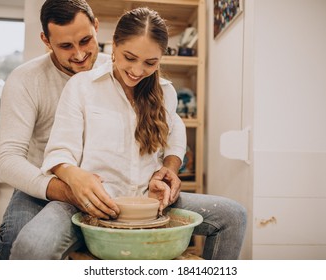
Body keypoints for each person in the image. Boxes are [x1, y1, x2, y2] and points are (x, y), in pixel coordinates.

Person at [41, 7, 247, 260]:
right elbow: (59, 151)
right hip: (89, 204)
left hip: (150, 204)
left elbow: (175, 134)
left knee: (234, 216)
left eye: (150, 62)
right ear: (114, 46)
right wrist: (73, 175)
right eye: (129, 57)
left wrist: (169, 170)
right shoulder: (82, 87)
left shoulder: (165, 92)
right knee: (32, 245)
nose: (137, 71)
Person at [0, 0, 110, 259]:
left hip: (104, 183)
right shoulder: (25, 80)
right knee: (15, 240)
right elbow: (8, 160)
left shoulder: (116, 71)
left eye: (85, 41)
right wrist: (68, 190)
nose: (79, 55)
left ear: (96, 27)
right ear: (46, 40)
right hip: (41, 185)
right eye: (66, 46)